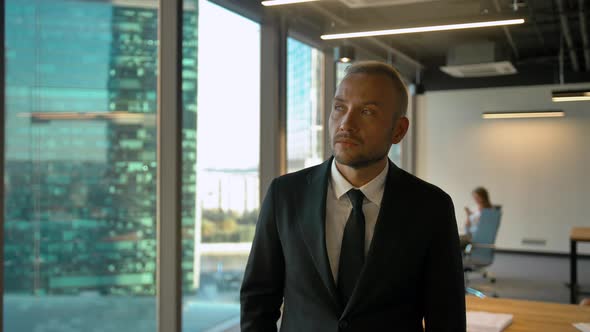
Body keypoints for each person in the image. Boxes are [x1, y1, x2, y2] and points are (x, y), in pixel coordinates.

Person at [240, 61, 465, 331]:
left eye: (367, 111)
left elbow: (447, 316)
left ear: (399, 130)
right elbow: (258, 300)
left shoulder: (431, 207)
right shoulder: (285, 195)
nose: (346, 123)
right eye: (339, 108)